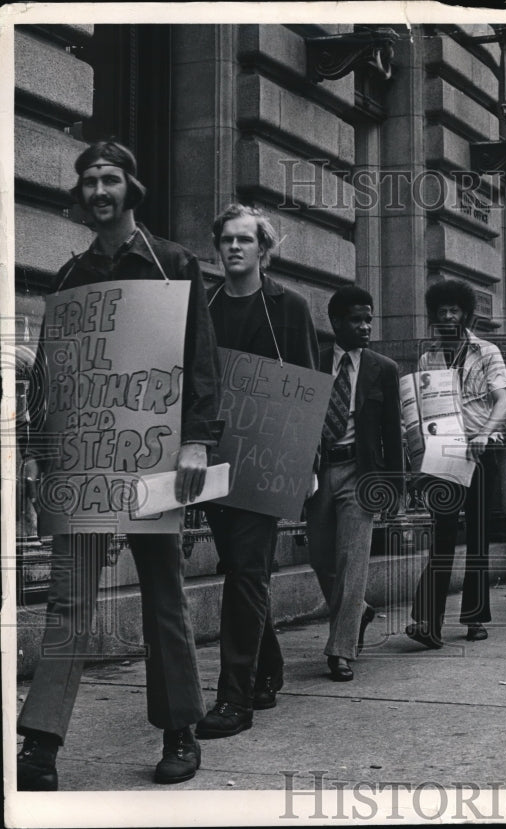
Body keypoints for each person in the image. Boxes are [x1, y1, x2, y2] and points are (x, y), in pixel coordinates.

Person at [17, 140, 223, 788]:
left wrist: (196, 441)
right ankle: (42, 743)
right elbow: (49, 377)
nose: (99, 191)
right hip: (84, 463)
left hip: (155, 458)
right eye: (89, 182)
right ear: (80, 196)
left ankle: (180, 730)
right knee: (67, 603)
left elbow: (202, 364)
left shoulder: (172, 263)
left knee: (165, 596)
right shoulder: (71, 277)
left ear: (130, 188)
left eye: (110, 179)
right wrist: (42, 455)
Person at [195, 205, 319, 739]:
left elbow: (308, 385)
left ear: (263, 249)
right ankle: (268, 669)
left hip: (269, 461)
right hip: (217, 458)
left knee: (247, 569)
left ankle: (234, 697)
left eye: (245, 240)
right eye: (226, 239)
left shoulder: (289, 306)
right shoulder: (205, 306)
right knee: (240, 567)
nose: (234, 248)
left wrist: (305, 461)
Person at [306, 286, 405, 679]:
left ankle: (341, 649)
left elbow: (391, 433)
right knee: (320, 558)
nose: (365, 326)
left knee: (353, 560)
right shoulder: (311, 360)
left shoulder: (384, 368)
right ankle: (357, 611)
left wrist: (394, 488)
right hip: (318, 473)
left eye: (369, 319)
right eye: (356, 320)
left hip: (360, 475)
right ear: (335, 323)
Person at [407, 279, 506, 648]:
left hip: (482, 454)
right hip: (444, 456)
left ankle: (475, 618)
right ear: (434, 316)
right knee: (443, 537)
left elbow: (502, 401)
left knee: (479, 538)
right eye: (442, 311)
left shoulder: (487, 352)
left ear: (465, 313)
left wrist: (484, 432)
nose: (448, 316)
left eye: (454, 310)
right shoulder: (428, 359)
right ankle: (428, 621)